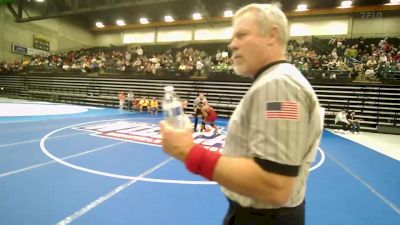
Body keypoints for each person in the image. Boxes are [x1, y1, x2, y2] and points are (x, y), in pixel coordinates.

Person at [160, 3, 322, 225]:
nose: (232, 44)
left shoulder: (279, 86)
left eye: (241, 35)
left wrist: (189, 152)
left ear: (272, 35)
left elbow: (274, 185)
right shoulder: (275, 81)